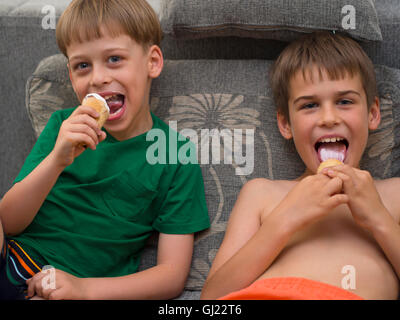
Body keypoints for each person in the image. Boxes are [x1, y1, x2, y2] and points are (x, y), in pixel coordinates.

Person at [0, 0, 209, 300]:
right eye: (83, 66)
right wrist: (57, 161)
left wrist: (84, 289)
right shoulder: (63, 126)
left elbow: (171, 275)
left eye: (114, 59)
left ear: (152, 62)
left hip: (68, 286)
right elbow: (8, 221)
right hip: (13, 254)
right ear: (72, 77)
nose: (97, 77)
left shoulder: (175, 156)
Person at [201, 31, 400, 300]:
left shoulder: (394, 195)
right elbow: (212, 297)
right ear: (285, 124)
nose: (328, 118)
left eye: (344, 101)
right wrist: (285, 219)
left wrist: (379, 219)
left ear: (373, 114)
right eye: (310, 105)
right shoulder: (262, 194)